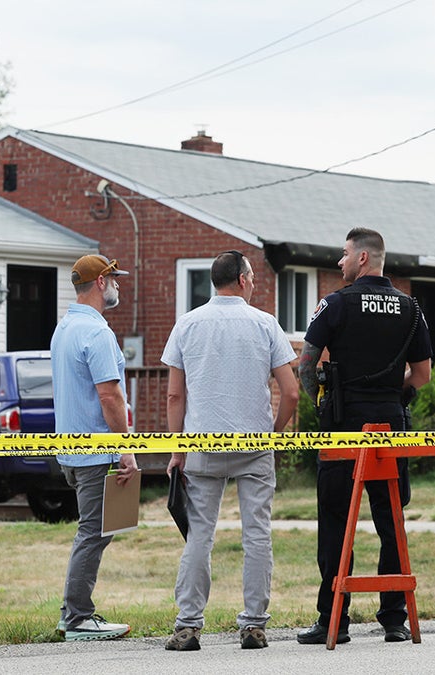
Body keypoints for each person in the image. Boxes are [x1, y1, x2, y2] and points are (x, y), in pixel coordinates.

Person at [295, 228, 432, 645]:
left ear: (362, 259)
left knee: (336, 519)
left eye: (344, 254)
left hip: (342, 426)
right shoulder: (411, 309)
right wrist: (394, 395)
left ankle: (332, 620)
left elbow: (306, 365)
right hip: (391, 426)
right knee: (391, 519)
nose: (339, 262)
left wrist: (321, 401)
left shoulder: (335, 305)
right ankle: (393, 618)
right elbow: (422, 376)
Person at [162, 250, 300, 652]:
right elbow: (290, 391)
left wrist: (176, 448)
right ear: (241, 280)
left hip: (201, 443)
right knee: (257, 534)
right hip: (254, 443)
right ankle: (254, 625)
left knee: (199, 536)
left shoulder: (186, 324)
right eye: (253, 277)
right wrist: (273, 435)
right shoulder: (265, 324)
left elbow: (174, 394)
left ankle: (188, 626)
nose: (254, 282)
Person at [52, 254, 139, 642]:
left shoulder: (65, 327)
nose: (119, 284)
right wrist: (126, 448)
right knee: (94, 531)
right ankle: (77, 617)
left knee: (94, 529)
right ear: (100, 283)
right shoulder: (97, 332)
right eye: (114, 278)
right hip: (97, 451)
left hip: (72, 449)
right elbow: (110, 397)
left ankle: (74, 612)